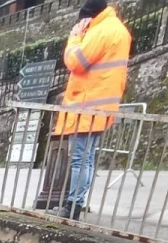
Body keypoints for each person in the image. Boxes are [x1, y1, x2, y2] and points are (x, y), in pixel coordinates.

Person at [50, 0, 131, 219]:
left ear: (89, 17)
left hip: (87, 105)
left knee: (79, 158)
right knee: (86, 158)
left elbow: (76, 61)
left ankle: (73, 205)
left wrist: (75, 37)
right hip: (101, 104)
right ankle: (75, 203)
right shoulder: (118, 30)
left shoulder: (101, 31)